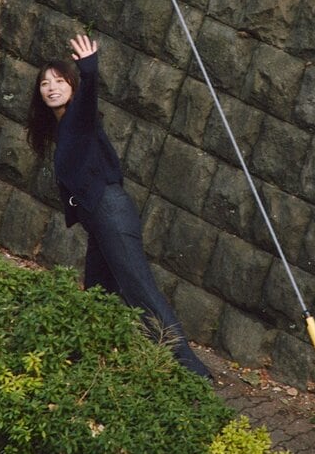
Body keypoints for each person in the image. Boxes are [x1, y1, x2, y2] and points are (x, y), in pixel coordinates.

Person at [26, 33, 212, 380]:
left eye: (59, 81)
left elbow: (89, 90)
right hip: (99, 219)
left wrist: (88, 67)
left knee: (140, 291)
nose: (51, 88)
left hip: (110, 212)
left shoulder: (79, 117)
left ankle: (193, 374)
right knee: (99, 292)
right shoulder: (65, 128)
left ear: (72, 85)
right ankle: (92, 362)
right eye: (44, 84)